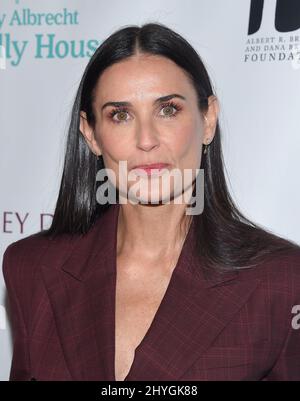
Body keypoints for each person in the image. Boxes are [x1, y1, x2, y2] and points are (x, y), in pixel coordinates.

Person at [2, 22, 300, 381]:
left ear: (208, 120)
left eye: (168, 109)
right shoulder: (32, 269)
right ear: (91, 134)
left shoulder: (280, 280)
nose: (146, 140)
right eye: (120, 115)